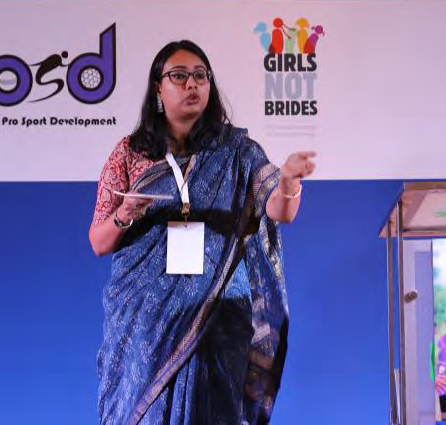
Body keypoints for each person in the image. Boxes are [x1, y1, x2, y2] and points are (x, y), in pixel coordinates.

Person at [90, 39, 316, 424]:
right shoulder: (129, 153)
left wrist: (290, 180)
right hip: (145, 319)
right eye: (179, 76)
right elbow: (98, 242)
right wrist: (124, 213)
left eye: (200, 75)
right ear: (158, 88)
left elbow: (281, 210)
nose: (192, 83)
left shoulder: (239, 151)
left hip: (219, 313)